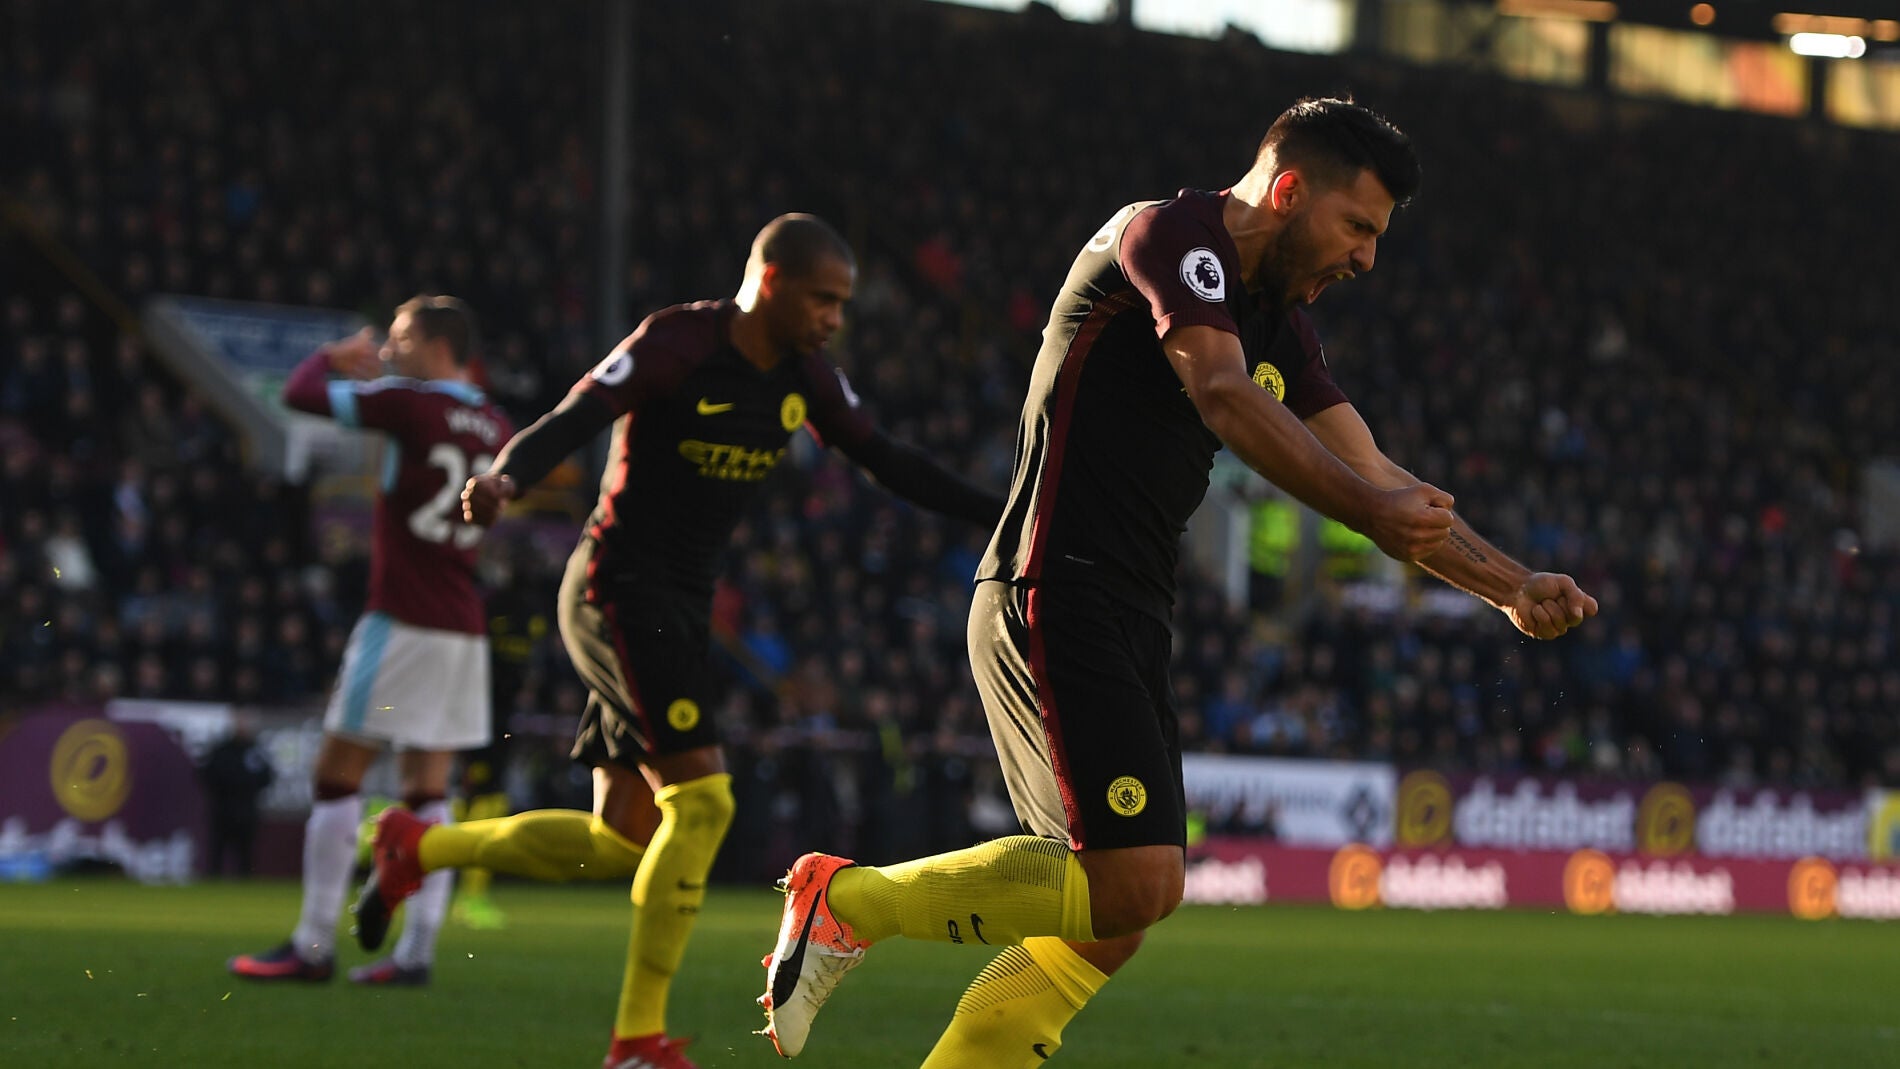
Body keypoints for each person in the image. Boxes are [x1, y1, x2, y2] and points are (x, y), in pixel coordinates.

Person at [756, 97, 1601, 1065]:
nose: (1367, 257)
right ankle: (844, 899)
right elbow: (1222, 395)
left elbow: (1382, 479)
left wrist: (1506, 583)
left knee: (1112, 920)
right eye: (1357, 226)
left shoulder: (1275, 322)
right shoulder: (1165, 234)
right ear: (1287, 190)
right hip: (1053, 587)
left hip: (1125, 610)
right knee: (1129, 882)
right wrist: (1369, 515)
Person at [352, 214, 1002, 1069]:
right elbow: (578, 412)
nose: (835, 318)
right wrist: (508, 472)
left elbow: (886, 458)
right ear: (770, 282)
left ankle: (414, 845)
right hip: (615, 587)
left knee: (619, 835)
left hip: (680, 607)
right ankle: (635, 1041)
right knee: (704, 804)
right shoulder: (680, 342)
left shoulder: (807, 374)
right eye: (824, 299)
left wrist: (1003, 511)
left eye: (841, 303)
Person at [227, 295, 514, 986]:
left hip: (402, 620)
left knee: (336, 778)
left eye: (398, 335)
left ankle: (313, 943)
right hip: (463, 629)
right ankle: (415, 954)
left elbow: (301, 394)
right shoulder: (496, 422)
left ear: (437, 342)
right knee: (428, 795)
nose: (387, 348)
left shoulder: (409, 403)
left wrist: (332, 358)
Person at [197, 712, 276, 878]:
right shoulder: (221, 750)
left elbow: (268, 776)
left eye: (245, 722)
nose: (242, 727)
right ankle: (212, 886)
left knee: (245, 854)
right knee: (217, 852)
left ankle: (245, 886)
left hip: (247, 810)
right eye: (239, 722)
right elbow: (206, 775)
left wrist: (246, 786)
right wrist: (230, 785)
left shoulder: (255, 751)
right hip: (223, 809)